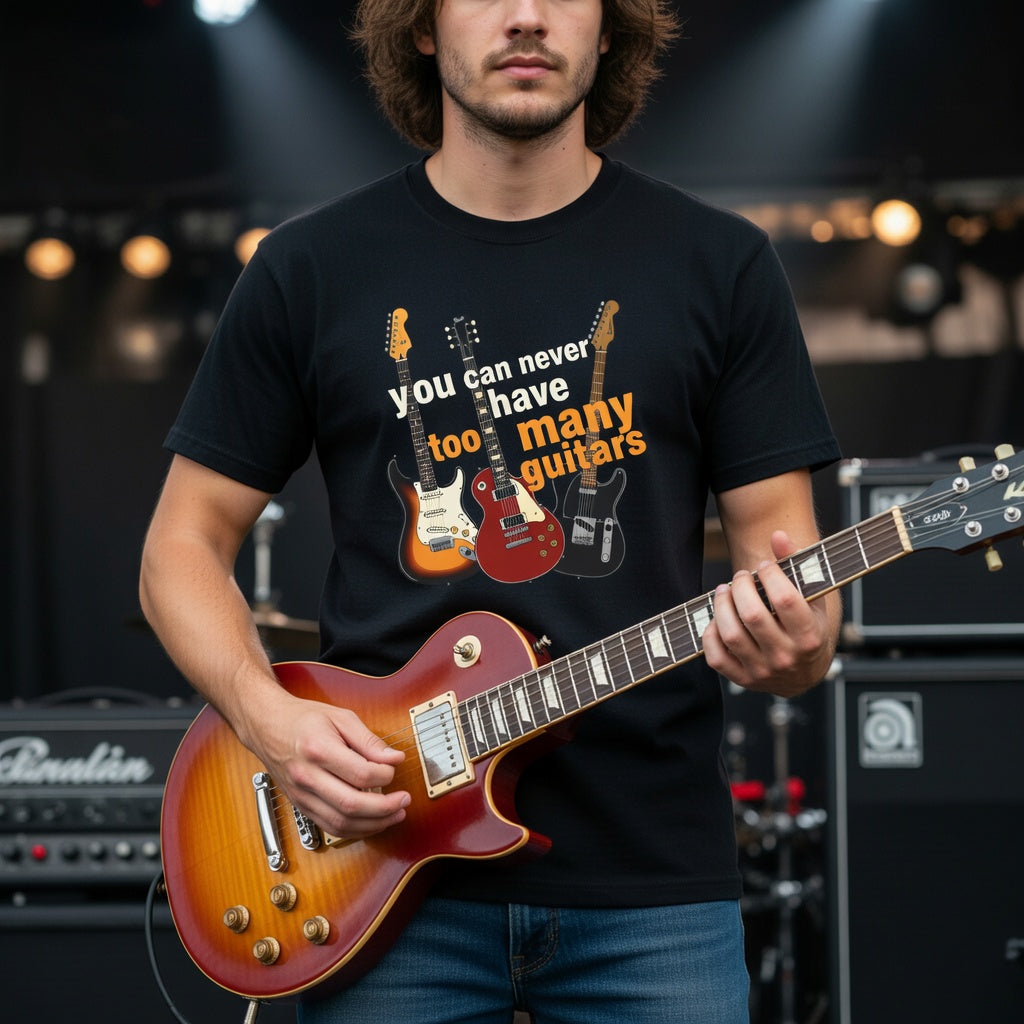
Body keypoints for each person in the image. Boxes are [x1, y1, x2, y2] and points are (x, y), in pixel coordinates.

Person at [139, 1, 842, 1021]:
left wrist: (794, 647)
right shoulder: (309, 268)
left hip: (652, 888)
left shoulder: (719, 264)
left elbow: (796, 594)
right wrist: (271, 720)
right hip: (380, 873)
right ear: (422, 27)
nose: (524, 16)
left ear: (611, 31)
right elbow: (178, 547)